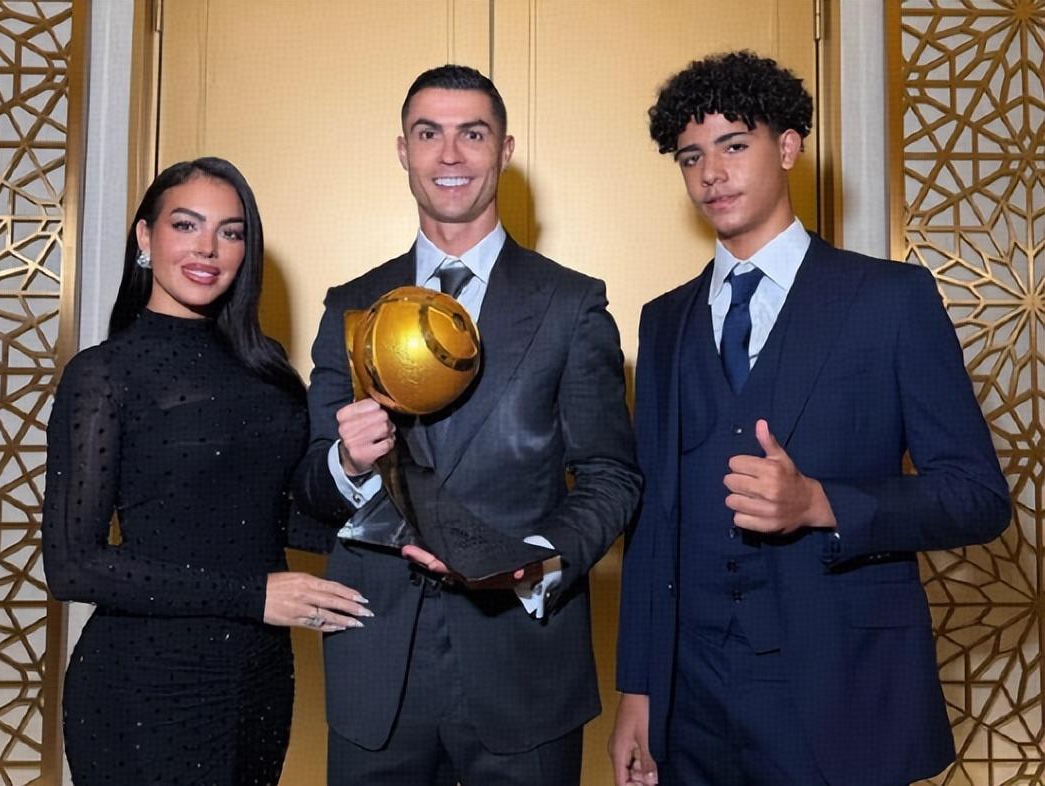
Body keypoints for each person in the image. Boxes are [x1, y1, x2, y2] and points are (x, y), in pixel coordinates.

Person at [610, 51, 1010, 786]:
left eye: (734, 145)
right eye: (691, 157)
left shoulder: (891, 299)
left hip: (840, 692)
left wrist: (823, 503)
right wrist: (638, 689)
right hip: (691, 700)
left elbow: (977, 497)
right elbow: (654, 522)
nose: (711, 174)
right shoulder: (663, 322)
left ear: (789, 146)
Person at [292, 65, 641, 786]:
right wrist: (345, 464)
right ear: (403, 150)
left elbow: (611, 477)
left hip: (523, 667)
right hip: (374, 671)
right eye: (429, 134)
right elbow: (309, 487)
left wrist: (536, 561)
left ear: (504, 150)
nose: (449, 154)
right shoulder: (350, 306)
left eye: (472, 134)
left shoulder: (572, 306)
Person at [43, 157, 372, 785]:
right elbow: (73, 566)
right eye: (186, 225)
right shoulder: (103, 374)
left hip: (259, 677)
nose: (208, 249)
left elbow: (275, 520)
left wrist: (370, 488)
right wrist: (255, 596)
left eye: (230, 231)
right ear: (145, 236)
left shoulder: (266, 368)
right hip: (143, 684)